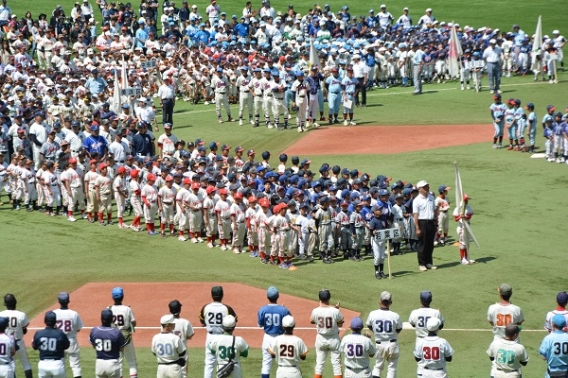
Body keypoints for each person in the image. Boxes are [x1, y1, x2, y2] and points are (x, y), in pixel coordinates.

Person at [199, 286, 238, 378]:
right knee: (223, 363)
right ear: (222, 295)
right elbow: (233, 321)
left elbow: (202, 320)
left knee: (209, 363)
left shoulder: (206, 307)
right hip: (223, 338)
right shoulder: (226, 308)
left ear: (211, 295)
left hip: (210, 337)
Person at [366, 291, 403, 378]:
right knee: (392, 368)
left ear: (380, 301)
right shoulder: (395, 316)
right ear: (391, 302)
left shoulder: (373, 314)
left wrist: (378, 333)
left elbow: (369, 325)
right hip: (392, 345)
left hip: (379, 345)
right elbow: (399, 329)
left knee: (378, 367)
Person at [257, 286, 291, 378]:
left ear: (267, 296)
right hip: (281, 339)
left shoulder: (262, 310)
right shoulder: (284, 310)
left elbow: (260, 325)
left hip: (268, 338)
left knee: (266, 364)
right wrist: (285, 309)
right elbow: (290, 322)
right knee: (284, 364)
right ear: (278, 296)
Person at [310, 289, 344, 378]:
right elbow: (340, 323)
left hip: (321, 339)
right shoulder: (335, 311)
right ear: (329, 298)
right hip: (334, 339)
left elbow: (311, 320)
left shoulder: (315, 311)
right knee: (336, 366)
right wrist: (336, 311)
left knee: (319, 366)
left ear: (319, 298)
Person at [52, 292, 84, 378]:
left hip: (58, 342)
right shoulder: (74, 314)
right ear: (68, 301)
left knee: (60, 365)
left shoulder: (54, 313)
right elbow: (78, 328)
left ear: (59, 301)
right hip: (71, 341)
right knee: (75, 366)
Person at [0, 294, 32, 378]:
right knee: (26, 364)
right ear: (15, 302)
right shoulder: (22, 314)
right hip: (19, 342)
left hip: (6, 343)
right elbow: (24, 330)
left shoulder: (1, 314)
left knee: (10, 364)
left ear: (5, 304)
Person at [108, 287, 138, 378]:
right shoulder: (127, 309)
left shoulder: (108, 309)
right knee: (132, 362)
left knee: (119, 363)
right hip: (126, 338)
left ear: (113, 297)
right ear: (123, 297)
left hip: (114, 338)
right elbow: (134, 323)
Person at [89, 309, 127, 378]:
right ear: (112, 319)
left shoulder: (94, 331)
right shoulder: (117, 332)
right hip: (113, 364)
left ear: (101, 318)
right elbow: (122, 349)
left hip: (99, 364)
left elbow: (94, 346)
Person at [32, 311, 70, 378]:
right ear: (55, 321)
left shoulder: (38, 333)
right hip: (57, 365)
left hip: (43, 365)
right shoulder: (60, 333)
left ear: (45, 321)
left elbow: (34, 346)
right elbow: (66, 346)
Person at [412, 180, 438, 272]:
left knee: (430, 244)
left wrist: (436, 223)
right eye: (424, 187)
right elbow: (415, 215)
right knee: (422, 244)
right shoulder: (416, 200)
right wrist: (417, 228)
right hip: (422, 222)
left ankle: (428, 262)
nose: (427, 188)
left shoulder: (431, 197)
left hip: (431, 222)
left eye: (427, 186)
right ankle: (422, 263)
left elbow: (435, 211)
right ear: (420, 189)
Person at [167, 300, 194, 378]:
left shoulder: (166, 323)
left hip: (170, 351)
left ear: (170, 310)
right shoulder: (185, 322)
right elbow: (190, 336)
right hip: (182, 351)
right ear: (180, 310)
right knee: (183, 374)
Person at [453, 194, 476, 265]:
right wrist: (460, 217)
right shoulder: (458, 208)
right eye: (466, 200)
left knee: (467, 243)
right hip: (461, 227)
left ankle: (467, 257)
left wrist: (465, 216)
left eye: (467, 200)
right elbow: (455, 219)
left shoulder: (468, 207)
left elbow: (470, 215)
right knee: (462, 243)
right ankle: (462, 259)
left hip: (467, 226)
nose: (467, 201)